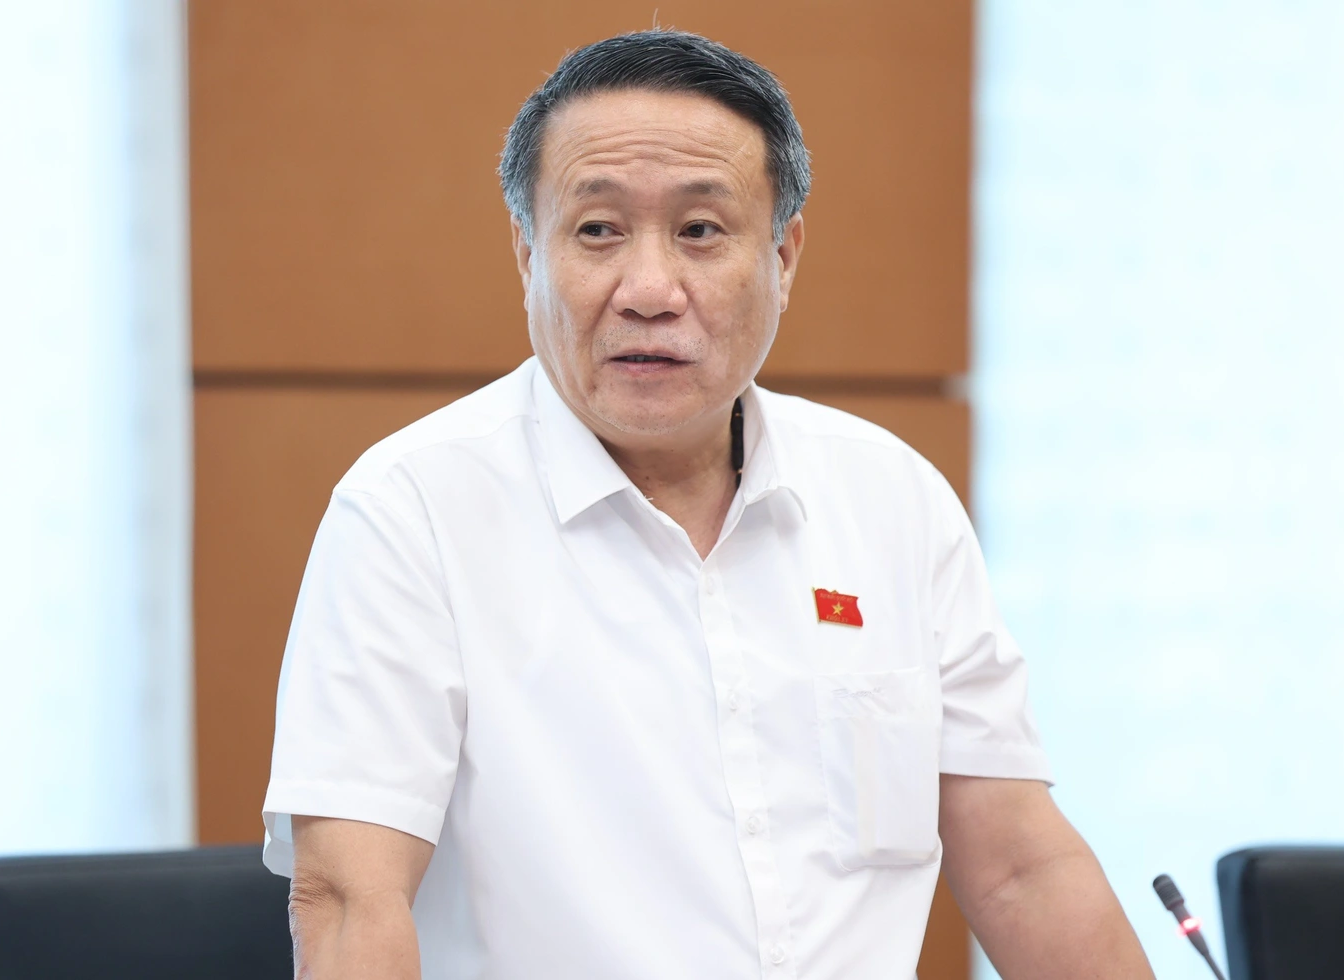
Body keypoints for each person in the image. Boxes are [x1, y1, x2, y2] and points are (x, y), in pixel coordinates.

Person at [262, 29, 1153, 980]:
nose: (649, 291)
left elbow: (1019, 867)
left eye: (700, 231)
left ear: (783, 257)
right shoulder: (410, 512)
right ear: (527, 254)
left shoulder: (891, 498)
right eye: (597, 230)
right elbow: (350, 898)